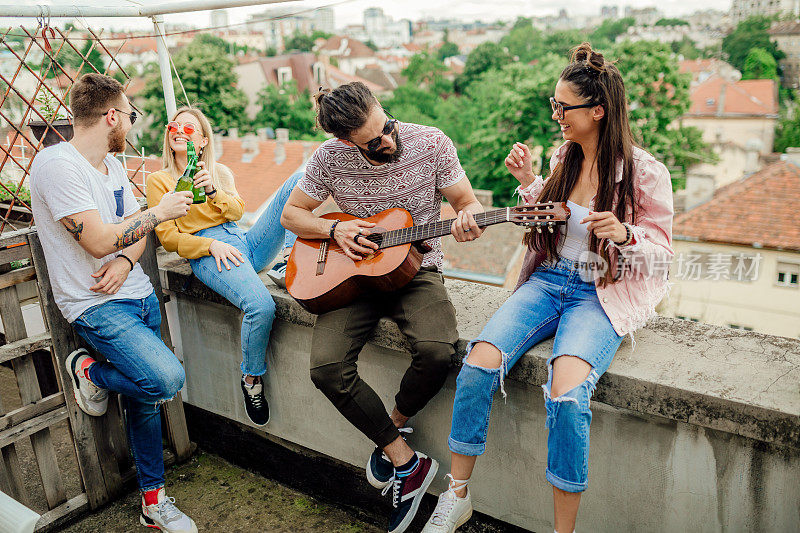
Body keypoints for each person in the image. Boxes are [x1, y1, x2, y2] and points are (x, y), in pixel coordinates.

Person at [422, 43, 674, 533]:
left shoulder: (645, 173)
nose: (556, 114)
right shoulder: (567, 156)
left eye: (564, 107)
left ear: (597, 110)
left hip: (598, 294)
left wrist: (626, 235)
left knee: (565, 397)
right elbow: (557, 217)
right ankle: (457, 495)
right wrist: (529, 180)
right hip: (547, 279)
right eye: (554, 105)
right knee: (477, 365)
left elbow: (663, 257)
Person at [281, 81, 486, 533]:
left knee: (439, 351)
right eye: (374, 142)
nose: (387, 140)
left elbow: (465, 201)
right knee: (326, 369)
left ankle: (392, 426)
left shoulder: (431, 142)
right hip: (353, 276)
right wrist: (334, 232)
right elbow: (291, 215)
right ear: (345, 142)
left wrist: (470, 217)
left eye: (387, 126)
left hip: (416, 268)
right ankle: (405, 461)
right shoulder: (329, 158)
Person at [30, 73, 197, 533]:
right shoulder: (56, 166)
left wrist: (125, 260)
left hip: (137, 293)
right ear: (111, 116)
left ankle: (152, 501)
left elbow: (126, 234)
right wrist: (156, 215)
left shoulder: (115, 166)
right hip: (95, 304)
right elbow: (103, 238)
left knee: (145, 395)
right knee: (165, 377)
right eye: (129, 115)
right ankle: (88, 371)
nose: (131, 124)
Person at [146, 107, 299, 427]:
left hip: (245, 241)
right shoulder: (159, 181)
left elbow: (237, 212)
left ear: (202, 141)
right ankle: (252, 380)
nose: (179, 131)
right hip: (210, 253)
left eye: (190, 129)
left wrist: (213, 190)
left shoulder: (219, 173)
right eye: (175, 126)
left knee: (298, 179)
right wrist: (209, 245)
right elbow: (169, 238)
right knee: (261, 306)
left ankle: (288, 258)